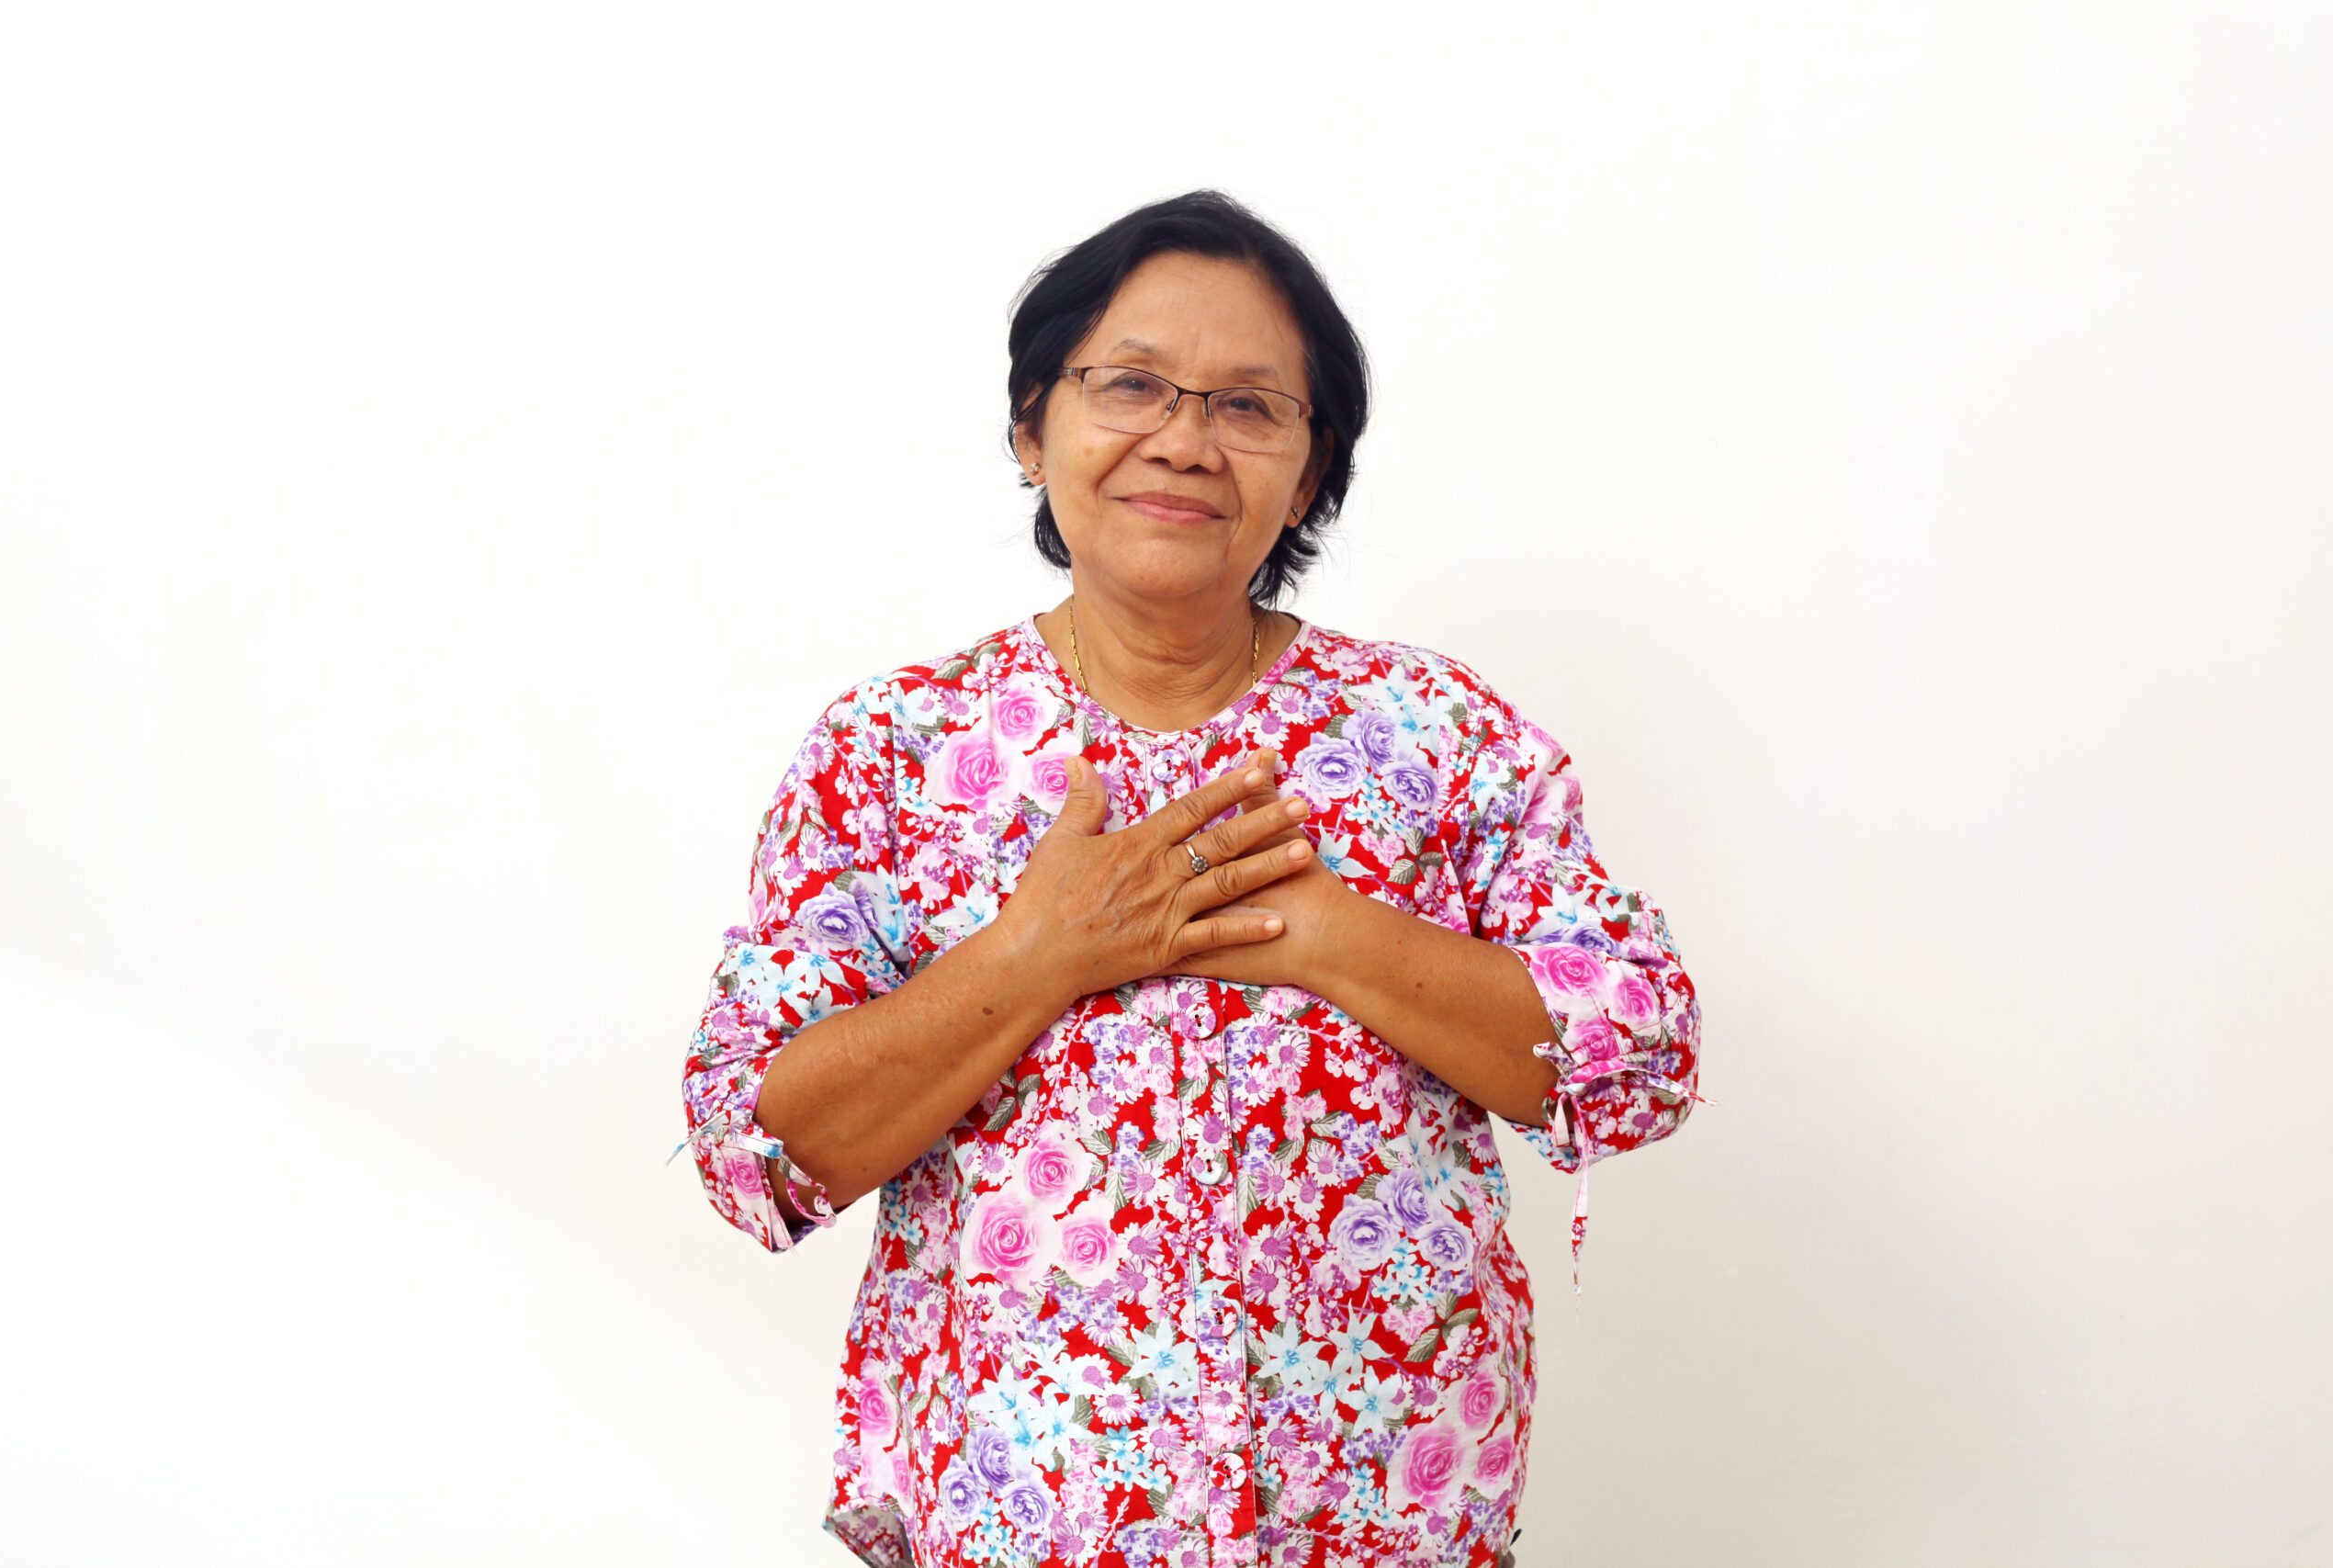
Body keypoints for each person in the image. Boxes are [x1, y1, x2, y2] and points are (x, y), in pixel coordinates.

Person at [681, 190, 1701, 1568]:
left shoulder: (1435, 738)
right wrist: (1039, 951)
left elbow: (1632, 1064)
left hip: (1386, 1519)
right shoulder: (899, 752)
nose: (1184, 439)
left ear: (1311, 467)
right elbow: (760, 1152)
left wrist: (1322, 932)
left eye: (1247, 405)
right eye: (1134, 385)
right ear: (1035, 422)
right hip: (1014, 1524)